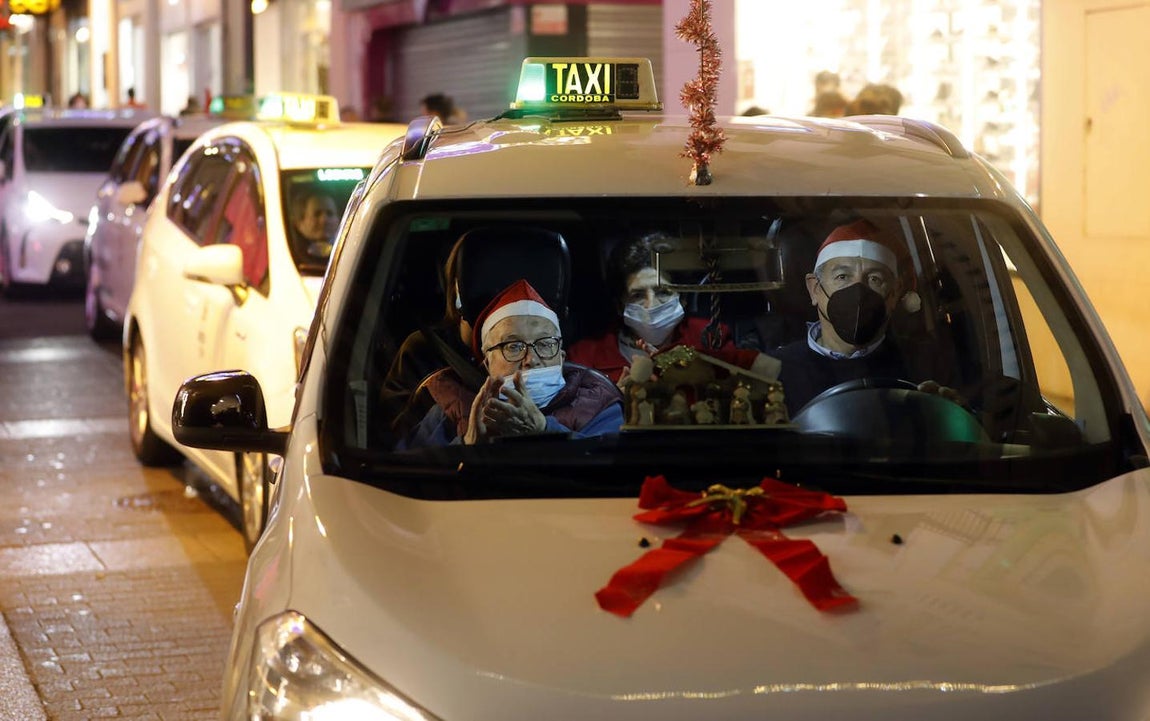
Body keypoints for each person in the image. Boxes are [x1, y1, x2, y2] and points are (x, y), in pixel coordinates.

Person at [401, 279, 623, 447]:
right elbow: (409, 477)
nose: (531, 360)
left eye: (545, 344)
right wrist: (468, 445)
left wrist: (545, 431)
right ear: (487, 363)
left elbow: (608, 473)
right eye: (513, 346)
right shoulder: (451, 408)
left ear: (561, 358)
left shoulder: (598, 405)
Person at [768, 218, 941, 415]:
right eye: (842, 277)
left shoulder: (924, 364)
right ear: (815, 288)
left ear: (894, 293)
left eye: (875, 279)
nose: (858, 291)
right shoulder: (775, 371)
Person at [567, 233, 781, 385]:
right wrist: (613, 401)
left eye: (663, 292)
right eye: (638, 295)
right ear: (619, 304)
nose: (651, 305)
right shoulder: (585, 357)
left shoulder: (710, 338)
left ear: (683, 298)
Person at [289, 188, 339, 260]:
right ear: (298, 223)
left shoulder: (349, 249)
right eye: (317, 214)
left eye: (329, 213)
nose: (324, 220)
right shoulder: (291, 255)